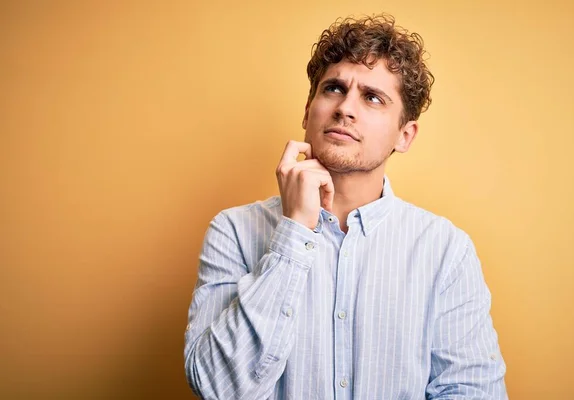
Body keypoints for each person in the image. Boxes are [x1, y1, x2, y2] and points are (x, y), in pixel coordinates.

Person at [184, 14, 507, 399]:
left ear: (405, 135)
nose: (345, 108)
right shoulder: (233, 231)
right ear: (308, 111)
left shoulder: (445, 251)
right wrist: (294, 233)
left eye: (372, 97)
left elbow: (472, 392)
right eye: (334, 89)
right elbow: (216, 388)